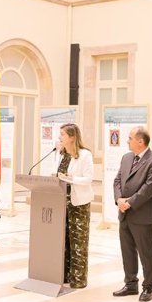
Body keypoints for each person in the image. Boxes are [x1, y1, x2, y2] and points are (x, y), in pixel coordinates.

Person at [112, 127, 152, 302]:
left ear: (140, 141)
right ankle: (130, 284)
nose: (127, 141)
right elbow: (118, 180)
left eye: (130, 138)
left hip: (142, 214)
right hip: (124, 213)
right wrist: (119, 199)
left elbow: (149, 187)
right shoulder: (126, 158)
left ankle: (148, 287)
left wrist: (130, 202)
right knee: (127, 250)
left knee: (146, 252)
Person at [56, 123, 94, 288]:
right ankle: (64, 275)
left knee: (78, 242)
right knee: (64, 241)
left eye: (62, 135)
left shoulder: (85, 155)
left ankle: (78, 279)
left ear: (72, 137)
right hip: (61, 203)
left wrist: (70, 178)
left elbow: (88, 179)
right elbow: (57, 175)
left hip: (79, 203)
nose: (60, 138)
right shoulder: (62, 154)